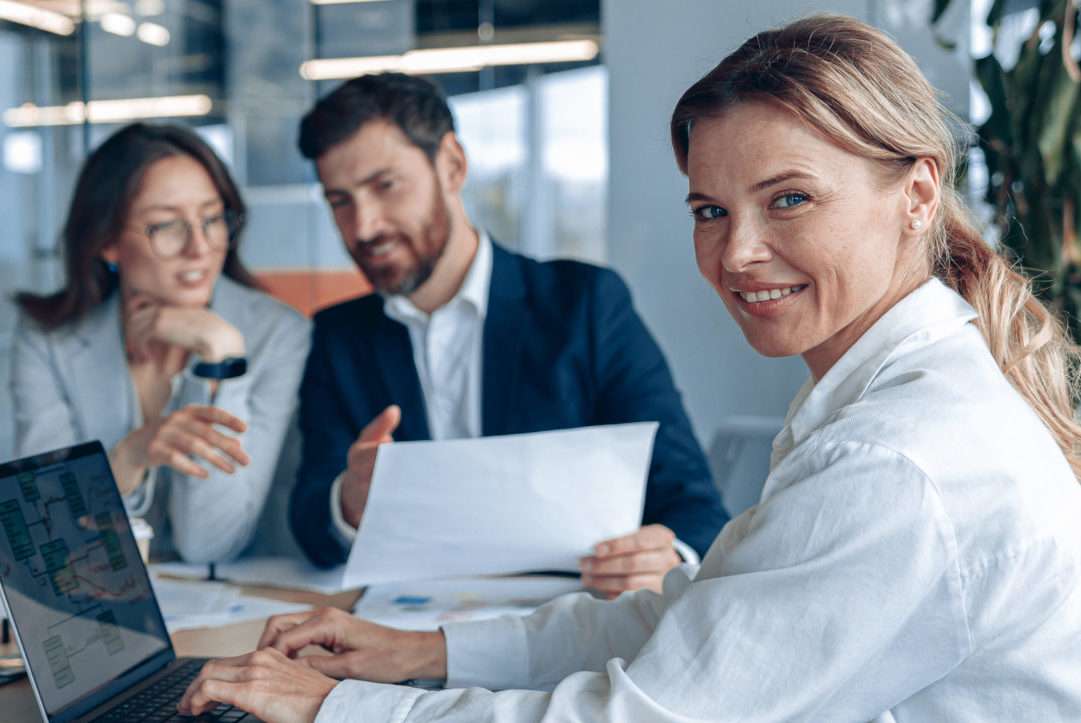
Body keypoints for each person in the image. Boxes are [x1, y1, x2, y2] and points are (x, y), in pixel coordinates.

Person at [179, 15, 1081, 721]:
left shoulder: (894, 460)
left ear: (916, 194)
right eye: (709, 211)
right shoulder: (885, 398)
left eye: (789, 199)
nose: (737, 254)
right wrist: (421, 651)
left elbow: (648, 711)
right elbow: (691, 618)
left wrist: (337, 707)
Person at [287, 72, 729, 593]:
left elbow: (694, 505)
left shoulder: (583, 304)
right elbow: (310, 522)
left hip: (564, 622)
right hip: (403, 629)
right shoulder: (341, 335)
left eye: (385, 186)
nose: (363, 226)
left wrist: (666, 557)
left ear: (452, 165)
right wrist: (349, 501)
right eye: (340, 201)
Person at [11, 123, 311, 563]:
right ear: (108, 243)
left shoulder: (276, 333)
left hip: (241, 610)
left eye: (212, 218)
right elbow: (48, 534)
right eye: (166, 225)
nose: (200, 247)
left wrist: (220, 353)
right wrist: (130, 456)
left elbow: (211, 542)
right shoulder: (48, 341)